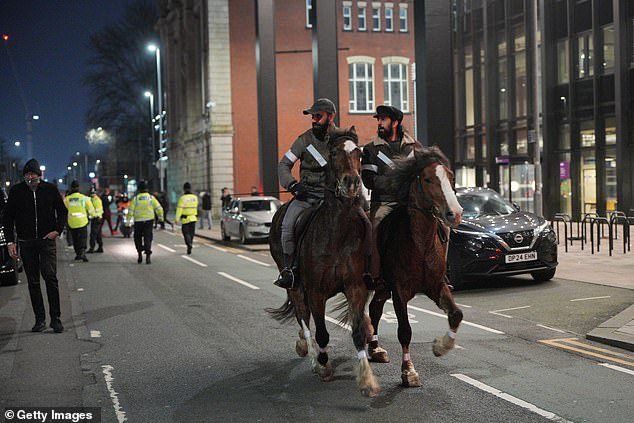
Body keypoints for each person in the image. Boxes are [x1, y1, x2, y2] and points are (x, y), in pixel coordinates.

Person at [274, 98, 337, 289]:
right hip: (306, 197)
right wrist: (292, 184)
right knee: (287, 227)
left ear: (331, 117)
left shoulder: (341, 140)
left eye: (318, 116)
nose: (314, 120)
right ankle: (290, 270)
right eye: (313, 116)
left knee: (364, 221)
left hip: (334, 198)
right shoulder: (303, 140)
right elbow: (284, 164)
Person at [4, 158, 68, 333]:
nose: (30, 177)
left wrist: (57, 230)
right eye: (27, 174)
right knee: (33, 282)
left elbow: (62, 211)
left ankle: (55, 319)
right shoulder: (16, 191)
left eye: (33, 174)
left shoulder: (50, 189)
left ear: (39, 175)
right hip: (26, 243)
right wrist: (10, 242)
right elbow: (7, 218)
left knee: (50, 278)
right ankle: (40, 320)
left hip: (46, 241)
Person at [361, 105, 419, 281]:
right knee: (375, 229)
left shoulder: (413, 147)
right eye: (378, 119)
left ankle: (437, 274)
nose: (379, 123)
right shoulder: (371, 149)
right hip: (383, 203)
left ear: (395, 123)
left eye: (383, 119)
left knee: (436, 226)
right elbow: (368, 179)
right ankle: (375, 275)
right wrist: (393, 182)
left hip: (409, 202)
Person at [127, 180, 164, 264]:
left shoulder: (136, 199)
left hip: (138, 221)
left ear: (139, 189)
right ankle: (148, 256)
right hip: (149, 221)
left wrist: (127, 222)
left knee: (137, 238)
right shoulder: (151, 198)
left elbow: (130, 211)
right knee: (148, 237)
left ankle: (139, 254)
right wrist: (161, 218)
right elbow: (159, 208)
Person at [64, 180, 95, 262]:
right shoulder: (84, 198)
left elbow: (63, 211)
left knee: (75, 239)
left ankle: (78, 254)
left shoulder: (67, 199)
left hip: (72, 222)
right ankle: (83, 252)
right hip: (82, 222)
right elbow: (91, 209)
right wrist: (92, 216)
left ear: (71, 188)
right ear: (79, 188)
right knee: (83, 238)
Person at [175, 182, 198, 254]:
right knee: (191, 233)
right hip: (193, 218)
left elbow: (179, 209)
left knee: (186, 233)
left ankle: (189, 244)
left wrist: (177, 219)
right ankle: (190, 244)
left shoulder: (182, 198)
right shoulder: (195, 198)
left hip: (185, 219)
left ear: (184, 189)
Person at [88, 187, 104, 253]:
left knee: (93, 234)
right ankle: (100, 247)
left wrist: (90, 216)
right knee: (98, 234)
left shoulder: (94, 200)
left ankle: (92, 248)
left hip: (96, 218)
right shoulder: (97, 199)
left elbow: (93, 211)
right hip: (99, 218)